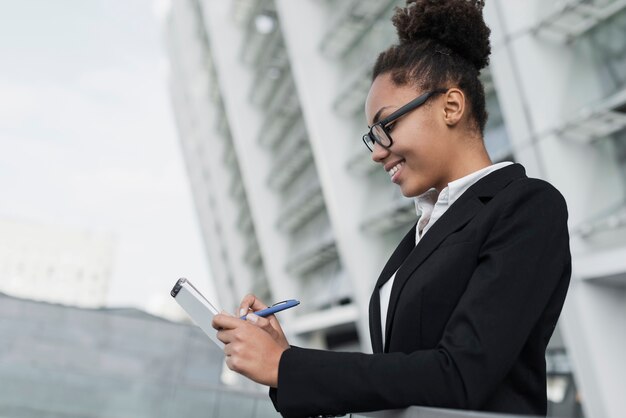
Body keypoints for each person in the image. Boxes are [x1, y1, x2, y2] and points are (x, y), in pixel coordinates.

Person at [212, 0, 572, 417]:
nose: (377, 153)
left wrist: (289, 367)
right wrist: (284, 357)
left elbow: (461, 375)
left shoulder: (527, 206)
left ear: (451, 106)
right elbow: (397, 382)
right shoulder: (422, 233)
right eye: (372, 137)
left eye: (386, 127)